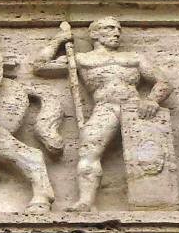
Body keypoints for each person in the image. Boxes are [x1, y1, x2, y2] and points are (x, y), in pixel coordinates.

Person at [32, 17, 170, 212]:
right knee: (88, 151)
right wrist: (59, 40)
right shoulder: (82, 59)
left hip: (135, 109)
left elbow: (163, 82)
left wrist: (152, 100)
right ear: (94, 34)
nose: (116, 33)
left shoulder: (134, 57)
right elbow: (40, 66)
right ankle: (86, 202)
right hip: (105, 108)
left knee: (151, 156)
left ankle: (155, 201)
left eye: (118, 29)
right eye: (109, 28)